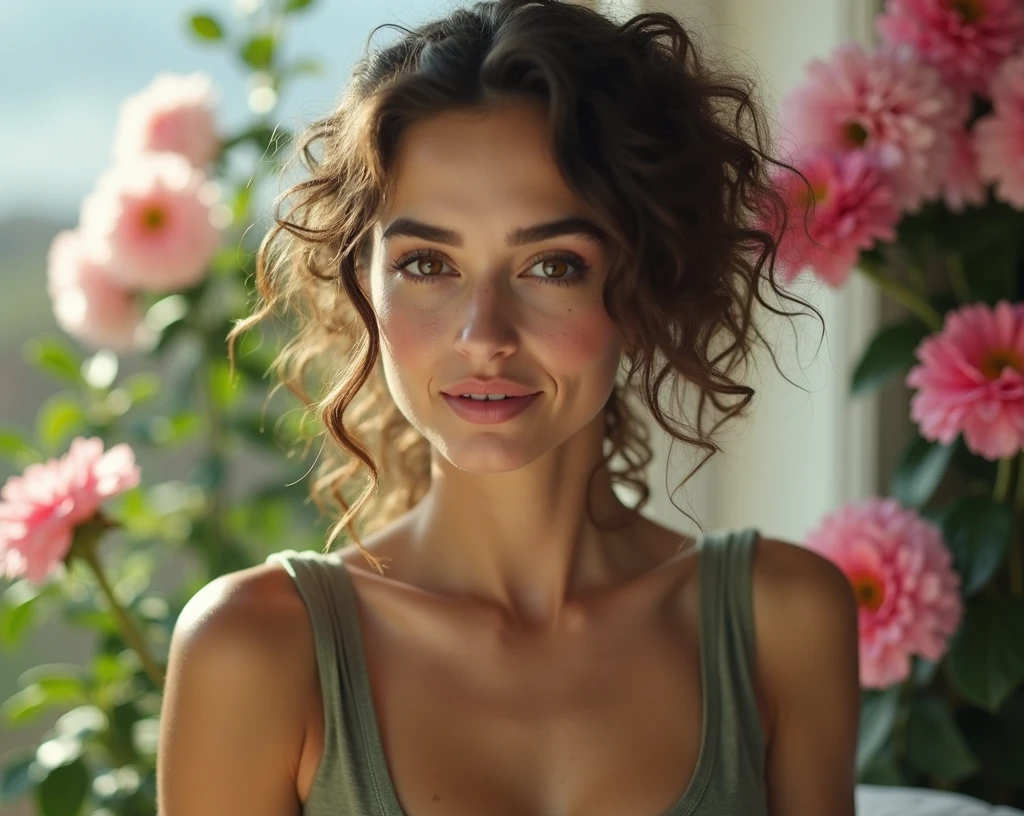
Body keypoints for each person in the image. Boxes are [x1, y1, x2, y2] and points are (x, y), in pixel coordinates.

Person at [157, 1, 861, 814]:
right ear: (364, 281)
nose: (482, 334)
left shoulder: (782, 621)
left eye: (552, 265)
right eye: (428, 264)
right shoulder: (256, 651)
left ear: (647, 276)